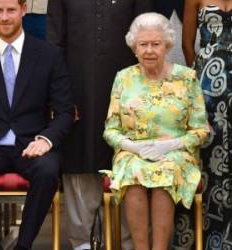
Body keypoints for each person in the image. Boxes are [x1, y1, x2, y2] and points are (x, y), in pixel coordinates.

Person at [0, 0, 74, 249]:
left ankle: (23, 245)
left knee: (48, 171)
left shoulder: (49, 54)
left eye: (11, 10)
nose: (5, 17)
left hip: (32, 145)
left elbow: (64, 112)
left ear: (23, 10)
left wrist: (46, 139)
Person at [47, 1, 151, 249]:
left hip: (129, 94)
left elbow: (147, 37)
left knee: (129, 165)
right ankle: (82, 241)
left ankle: (128, 242)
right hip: (76, 90)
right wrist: (61, 98)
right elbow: (54, 44)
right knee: (80, 161)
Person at [101, 12, 209, 250]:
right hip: (133, 152)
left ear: (167, 45)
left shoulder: (187, 78)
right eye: (143, 44)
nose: (149, 50)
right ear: (134, 47)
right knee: (134, 173)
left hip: (177, 153)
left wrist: (169, 146)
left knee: (164, 172)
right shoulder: (124, 78)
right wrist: (135, 147)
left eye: (155, 44)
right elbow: (110, 130)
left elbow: (201, 131)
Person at [178, 0, 232, 248]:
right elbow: (187, 44)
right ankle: (208, 237)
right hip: (208, 85)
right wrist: (200, 74)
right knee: (208, 154)